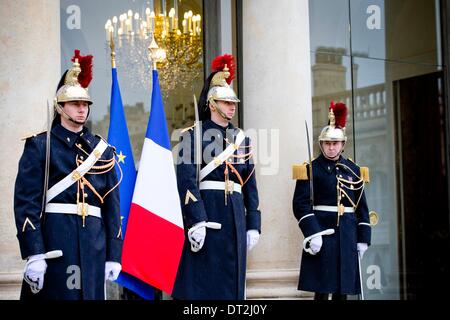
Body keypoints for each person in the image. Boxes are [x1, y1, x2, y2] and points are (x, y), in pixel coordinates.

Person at [14, 50, 123, 300]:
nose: (82, 109)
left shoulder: (102, 150)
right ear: (60, 106)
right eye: (75, 104)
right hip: (56, 243)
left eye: (85, 104)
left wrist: (114, 254)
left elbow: (111, 206)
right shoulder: (41, 145)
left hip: (94, 245)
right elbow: (26, 203)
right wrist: (34, 252)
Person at [172, 54, 261, 300]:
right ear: (212, 103)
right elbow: (187, 181)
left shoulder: (242, 139)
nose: (232, 106)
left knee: (233, 290)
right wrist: (197, 219)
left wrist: (253, 223)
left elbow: (250, 184)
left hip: (235, 218)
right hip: (208, 215)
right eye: (226, 102)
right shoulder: (193, 135)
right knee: (205, 286)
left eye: (233, 102)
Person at [292, 101, 371, 300]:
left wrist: (364, 238)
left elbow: (361, 206)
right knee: (322, 289)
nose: (331, 147)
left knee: (342, 290)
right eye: (327, 143)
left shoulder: (354, 169)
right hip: (323, 233)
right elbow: (300, 204)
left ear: (342, 145)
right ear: (321, 144)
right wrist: (313, 233)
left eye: (335, 143)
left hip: (347, 234)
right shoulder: (311, 168)